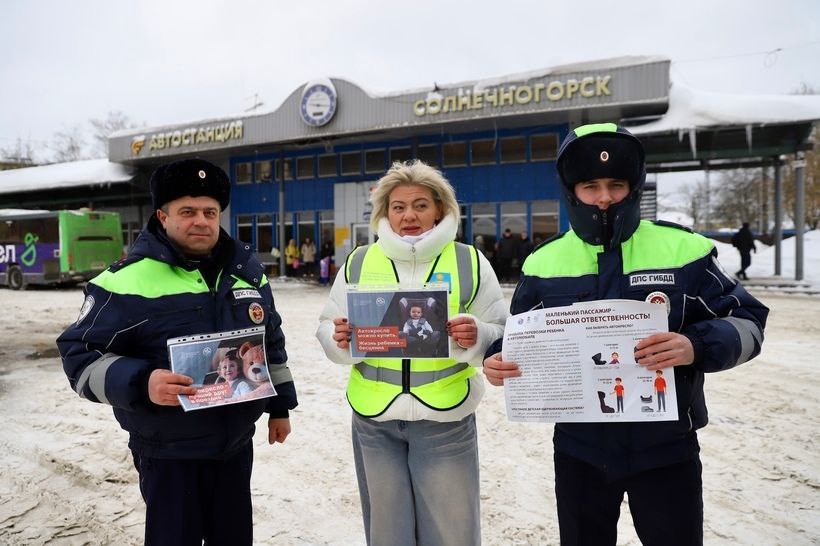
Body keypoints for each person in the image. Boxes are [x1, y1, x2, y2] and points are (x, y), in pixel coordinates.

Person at [483, 123, 769, 546]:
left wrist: (694, 345)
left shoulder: (683, 250)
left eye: (616, 184)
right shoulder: (542, 263)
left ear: (634, 187)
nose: (603, 197)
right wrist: (496, 357)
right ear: (571, 189)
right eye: (590, 185)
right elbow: (523, 338)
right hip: (581, 449)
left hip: (668, 448)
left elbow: (748, 321)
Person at [57, 158, 298, 546]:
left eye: (209, 211)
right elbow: (79, 355)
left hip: (234, 445)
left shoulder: (247, 273)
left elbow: (270, 340)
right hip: (167, 451)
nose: (200, 221)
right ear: (162, 216)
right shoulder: (124, 280)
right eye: (187, 211)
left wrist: (281, 406)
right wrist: (141, 382)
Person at [316, 160, 508, 546]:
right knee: (388, 532)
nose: (409, 216)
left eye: (420, 205)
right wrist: (338, 340)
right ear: (385, 211)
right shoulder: (358, 261)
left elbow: (502, 334)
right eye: (399, 206)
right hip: (374, 421)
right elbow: (326, 327)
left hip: (445, 419)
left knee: (452, 532)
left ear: (440, 208)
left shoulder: (469, 261)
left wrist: (476, 334)